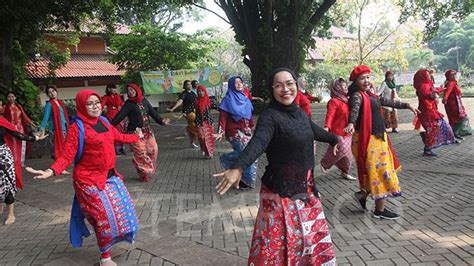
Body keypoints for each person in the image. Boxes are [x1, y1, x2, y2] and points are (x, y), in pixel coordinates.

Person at [214, 68, 338, 265]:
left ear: (296, 85)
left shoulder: (300, 114)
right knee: (277, 246)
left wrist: (334, 139)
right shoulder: (270, 117)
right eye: (278, 85)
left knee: (309, 242)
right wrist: (238, 167)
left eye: (289, 83)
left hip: (306, 191)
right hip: (280, 194)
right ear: (272, 90)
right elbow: (258, 142)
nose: (285, 89)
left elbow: (314, 131)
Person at [27, 90, 141, 266]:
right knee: (104, 218)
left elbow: (118, 137)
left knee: (125, 213)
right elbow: (66, 156)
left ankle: (109, 246)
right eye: (89, 103)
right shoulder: (77, 128)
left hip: (110, 177)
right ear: (81, 105)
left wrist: (136, 137)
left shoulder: (103, 121)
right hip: (87, 181)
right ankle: (105, 258)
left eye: (97, 102)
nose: (95, 106)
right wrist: (51, 171)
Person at [344, 65, 419, 220]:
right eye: (362, 78)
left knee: (375, 172)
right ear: (356, 81)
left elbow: (387, 101)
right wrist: (351, 123)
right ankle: (379, 210)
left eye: (368, 77)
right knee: (380, 172)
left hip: (378, 139)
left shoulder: (371, 95)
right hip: (368, 140)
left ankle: (362, 195)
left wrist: (407, 105)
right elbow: (355, 110)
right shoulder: (357, 96)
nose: (366, 81)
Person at [111, 83, 170, 182]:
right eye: (128, 90)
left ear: (137, 90)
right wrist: (108, 126)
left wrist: (162, 121)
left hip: (148, 132)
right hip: (135, 134)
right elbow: (119, 116)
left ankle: (145, 170)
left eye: (132, 89)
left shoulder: (144, 101)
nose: (130, 92)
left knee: (153, 151)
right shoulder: (128, 104)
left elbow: (153, 113)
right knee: (141, 154)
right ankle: (144, 173)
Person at [0, 117, 45, 224]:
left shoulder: (2, 121)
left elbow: (18, 135)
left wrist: (36, 138)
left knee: (8, 182)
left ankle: (11, 214)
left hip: (3, 156)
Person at [215, 76, 257, 189]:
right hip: (234, 132)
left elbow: (249, 115)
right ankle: (226, 159)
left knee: (252, 154)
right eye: (236, 83)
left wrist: (252, 126)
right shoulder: (227, 100)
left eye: (240, 82)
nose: (239, 84)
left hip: (246, 130)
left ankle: (243, 179)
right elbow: (222, 118)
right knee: (246, 153)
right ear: (231, 85)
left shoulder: (245, 99)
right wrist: (221, 131)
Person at [414, 69, 456, 156]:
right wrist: (434, 94)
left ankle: (426, 139)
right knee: (433, 129)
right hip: (427, 112)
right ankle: (427, 148)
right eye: (427, 75)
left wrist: (440, 89)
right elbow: (427, 94)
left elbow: (433, 90)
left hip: (431, 111)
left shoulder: (427, 84)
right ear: (422, 77)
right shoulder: (423, 86)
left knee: (438, 127)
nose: (429, 76)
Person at [321, 78, 357, 181]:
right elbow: (330, 115)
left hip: (348, 132)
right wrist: (327, 127)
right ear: (337, 88)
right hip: (337, 132)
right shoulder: (334, 101)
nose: (346, 88)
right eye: (343, 86)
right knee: (341, 150)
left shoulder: (347, 100)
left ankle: (345, 172)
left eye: (346, 86)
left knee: (348, 156)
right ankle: (325, 163)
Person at [3, 92, 35, 168]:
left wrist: (32, 123)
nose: (11, 98)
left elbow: (24, 116)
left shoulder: (18, 106)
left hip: (20, 127)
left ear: (15, 98)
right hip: (11, 128)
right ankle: (14, 160)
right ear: (7, 98)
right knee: (13, 144)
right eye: (9, 96)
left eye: (12, 96)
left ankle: (21, 161)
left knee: (22, 144)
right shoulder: (5, 107)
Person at [39, 85, 69, 160]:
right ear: (48, 95)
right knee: (58, 148)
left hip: (64, 128)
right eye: (49, 92)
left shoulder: (60, 103)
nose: (52, 93)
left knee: (64, 148)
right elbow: (45, 118)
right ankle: (59, 167)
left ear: (56, 91)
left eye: (53, 91)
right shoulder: (49, 105)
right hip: (56, 129)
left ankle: (61, 166)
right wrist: (41, 130)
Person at [167, 80, 198, 148]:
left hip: (194, 111)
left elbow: (197, 102)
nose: (189, 85)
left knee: (193, 128)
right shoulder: (184, 94)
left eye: (190, 84)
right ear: (185, 86)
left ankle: (191, 142)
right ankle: (188, 130)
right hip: (188, 113)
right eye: (187, 84)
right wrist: (173, 108)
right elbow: (179, 101)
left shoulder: (193, 93)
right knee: (195, 125)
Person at [442, 69, 472, 138]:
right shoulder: (451, 83)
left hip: (453, 103)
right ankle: (459, 132)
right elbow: (448, 92)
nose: (453, 76)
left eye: (454, 74)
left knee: (455, 118)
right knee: (461, 117)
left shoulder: (450, 82)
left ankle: (455, 132)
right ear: (448, 76)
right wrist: (445, 98)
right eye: (451, 75)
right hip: (453, 105)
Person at [102, 84, 126, 155]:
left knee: (121, 132)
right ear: (109, 89)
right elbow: (102, 105)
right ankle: (115, 149)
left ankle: (121, 148)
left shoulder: (117, 96)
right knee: (113, 133)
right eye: (113, 88)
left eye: (115, 88)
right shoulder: (106, 97)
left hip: (119, 116)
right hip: (110, 117)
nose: (115, 90)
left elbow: (122, 104)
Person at [194, 85, 217, 159]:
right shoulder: (196, 101)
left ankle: (209, 153)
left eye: (202, 91)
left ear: (205, 91)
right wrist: (184, 113)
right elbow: (188, 109)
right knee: (201, 137)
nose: (201, 93)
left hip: (208, 123)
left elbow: (219, 108)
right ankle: (204, 149)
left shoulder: (209, 101)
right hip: (199, 123)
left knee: (209, 138)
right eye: (199, 91)